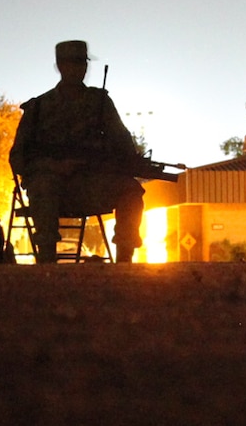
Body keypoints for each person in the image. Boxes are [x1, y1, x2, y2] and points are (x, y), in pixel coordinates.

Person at [11, 39, 146, 263]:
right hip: (53, 191)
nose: (78, 68)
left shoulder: (100, 102)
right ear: (60, 66)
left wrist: (122, 161)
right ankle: (46, 261)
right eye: (71, 63)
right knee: (44, 184)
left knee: (131, 190)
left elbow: (122, 143)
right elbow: (17, 158)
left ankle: (125, 263)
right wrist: (53, 167)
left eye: (82, 63)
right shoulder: (38, 108)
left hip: (91, 186)